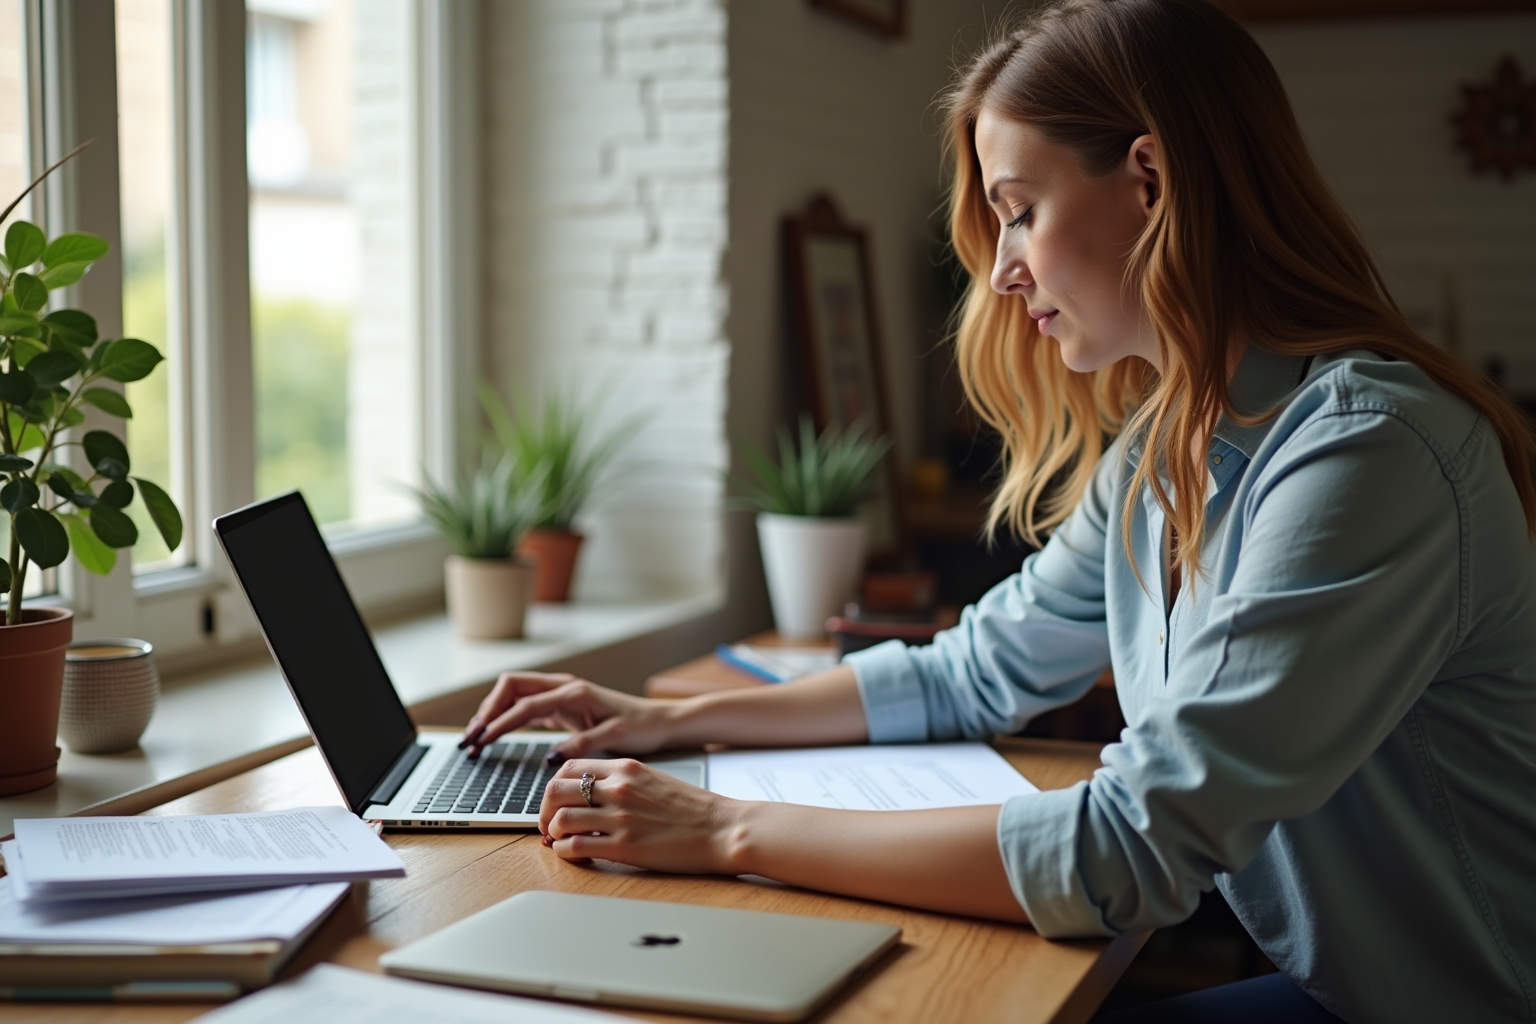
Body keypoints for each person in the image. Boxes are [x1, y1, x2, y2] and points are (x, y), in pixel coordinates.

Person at [459, 2, 1536, 1021]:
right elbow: (972, 670)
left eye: (1020, 211)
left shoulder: (1369, 454)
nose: (1005, 271)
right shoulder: (1164, 450)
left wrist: (728, 829)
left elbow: (1127, 848)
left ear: (1151, 181)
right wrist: (671, 720)